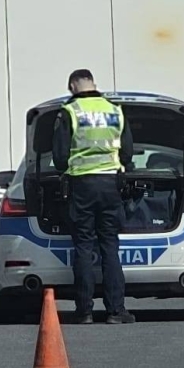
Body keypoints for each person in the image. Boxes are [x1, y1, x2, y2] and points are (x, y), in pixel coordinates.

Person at [52, 70, 136, 324]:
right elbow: (128, 152)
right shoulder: (114, 110)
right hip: (111, 184)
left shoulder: (70, 112)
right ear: (94, 84)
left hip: (81, 185)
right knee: (110, 246)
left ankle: (85, 311)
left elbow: (59, 157)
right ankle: (115, 310)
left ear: (71, 86)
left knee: (84, 247)